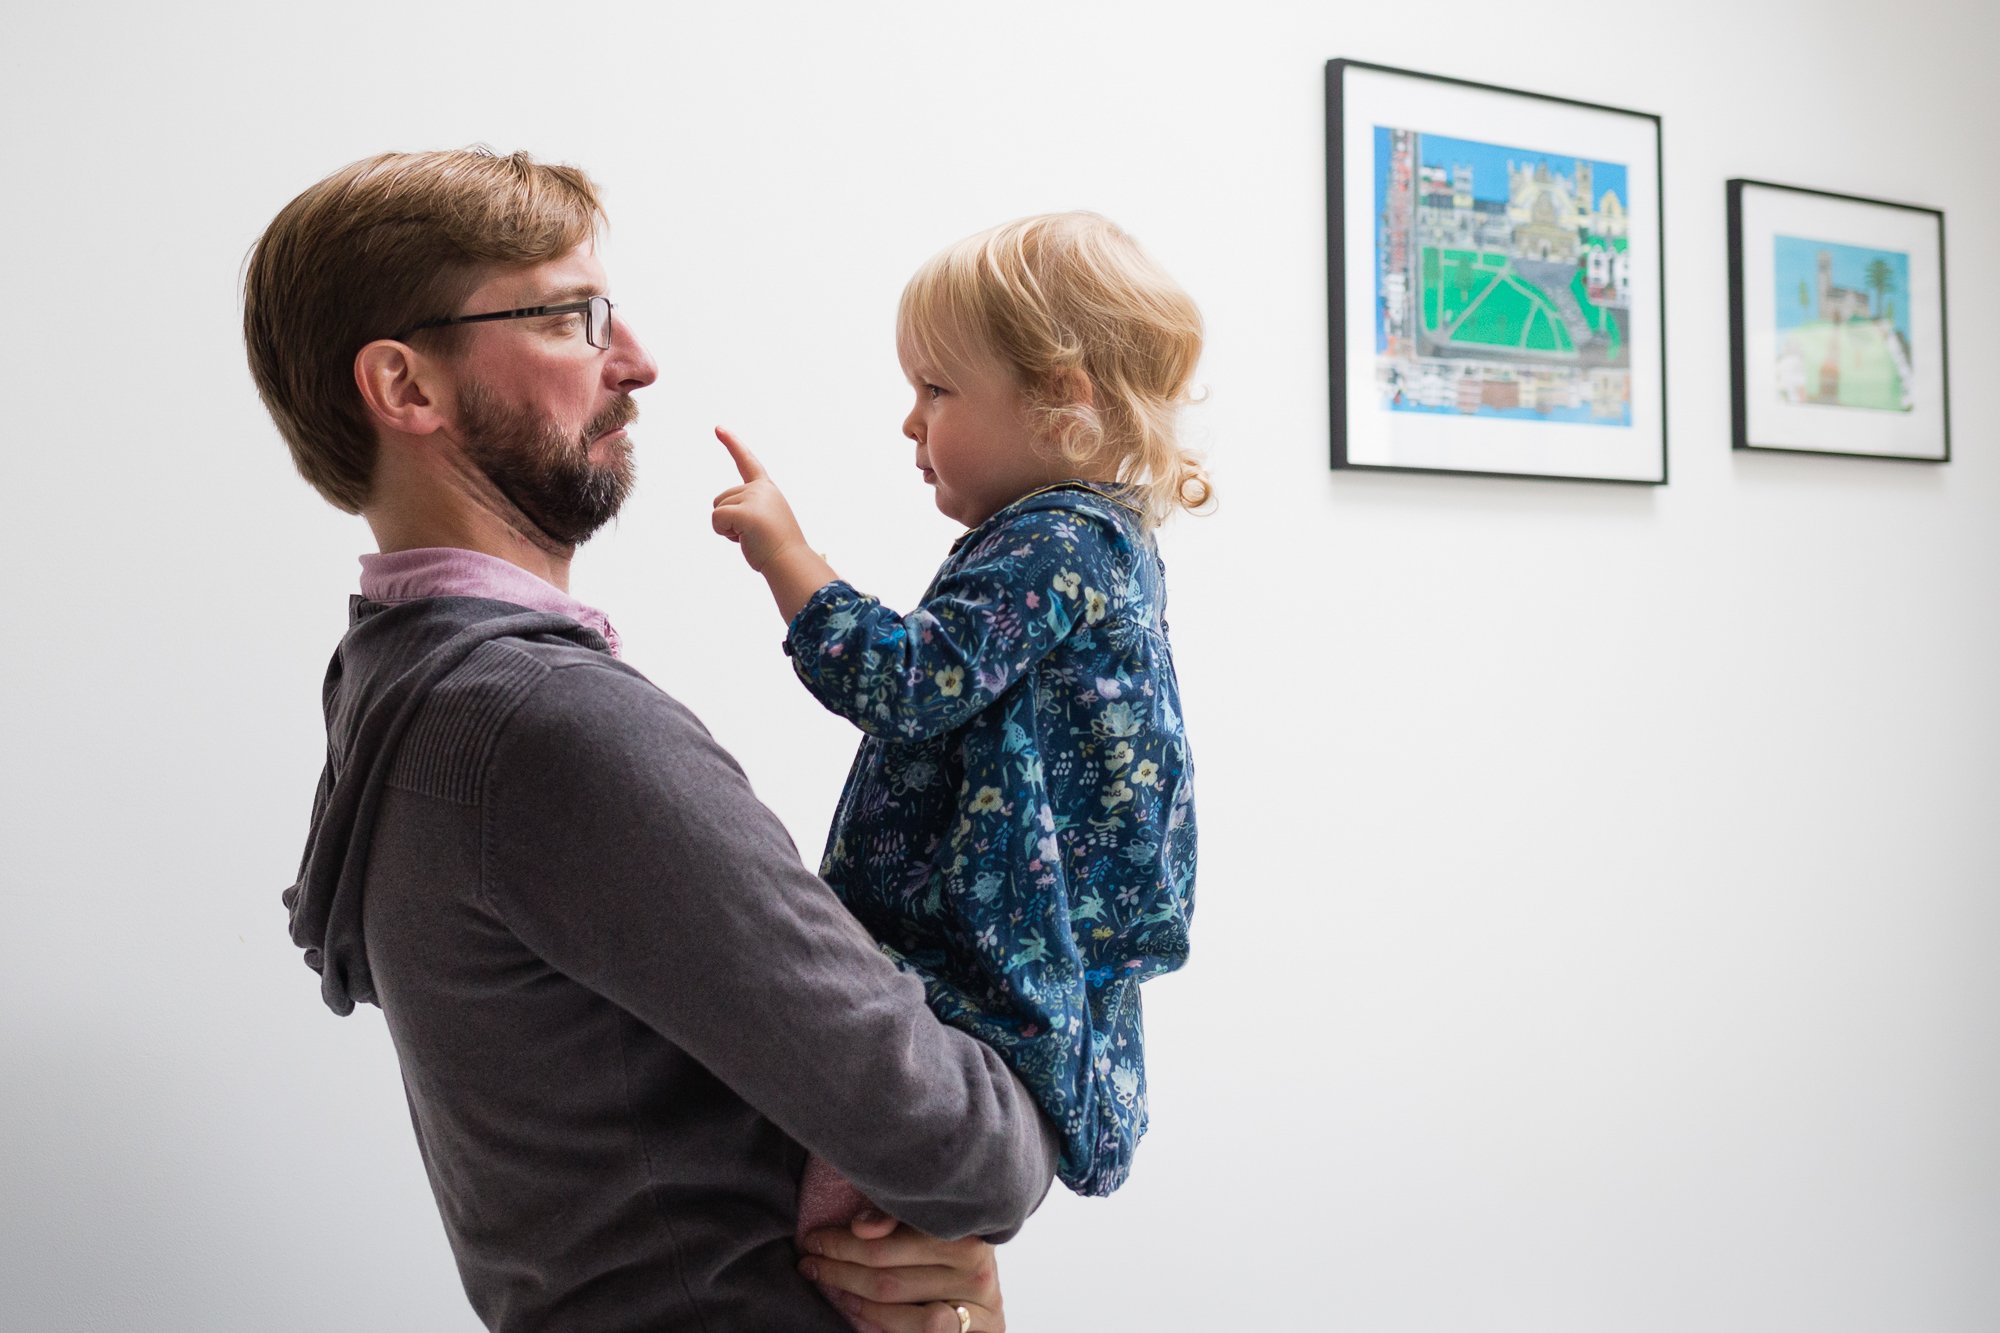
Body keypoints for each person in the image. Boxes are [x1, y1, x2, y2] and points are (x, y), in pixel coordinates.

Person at [244, 147, 1055, 1333]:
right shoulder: (547, 724)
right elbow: (965, 1152)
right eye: (574, 317)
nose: (636, 360)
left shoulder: (393, 682)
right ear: (406, 388)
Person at [710, 211, 1207, 1321]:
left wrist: (788, 556)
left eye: (934, 390)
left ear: (1060, 397)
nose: (908, 420)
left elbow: (907, 682)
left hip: (980, 974)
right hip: (978, 965)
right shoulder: (1087, 540)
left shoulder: (1058, 541)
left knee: (842, 1224)